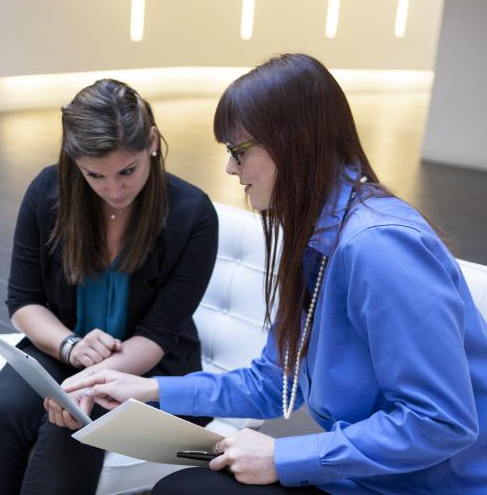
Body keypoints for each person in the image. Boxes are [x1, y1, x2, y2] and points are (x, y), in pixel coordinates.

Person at [61, 54, 487, 494]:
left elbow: (442, 422)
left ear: (295, 142)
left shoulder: (377, 247)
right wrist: (149, 391)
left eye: (238, 152)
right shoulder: (319, 234)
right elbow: (273, 382)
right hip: (362, 478)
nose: (231, 169)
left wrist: (283, 457)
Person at [0, 78, 219, 495]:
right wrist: (72, 348)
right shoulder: (48, 192)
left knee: (78, 423)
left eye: (127, 171)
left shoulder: (193, 214)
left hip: (149, 367)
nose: (114, 190)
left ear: (151, 140)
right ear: (73, 159)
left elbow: (158, 336)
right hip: (63, 347)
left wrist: (91, 380)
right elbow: (24, 302)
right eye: (95, 175)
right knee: (2, 410)